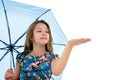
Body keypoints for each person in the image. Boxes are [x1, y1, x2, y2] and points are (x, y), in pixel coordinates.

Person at [4, 20, 91, 80]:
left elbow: (57, 71)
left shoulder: (52, 57)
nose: (44, 33)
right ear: (31, 37)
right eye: (39, 31)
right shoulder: (21, 56)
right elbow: (16, 78)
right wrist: (8, 77)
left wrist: (70, 45)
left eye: (47, 31)